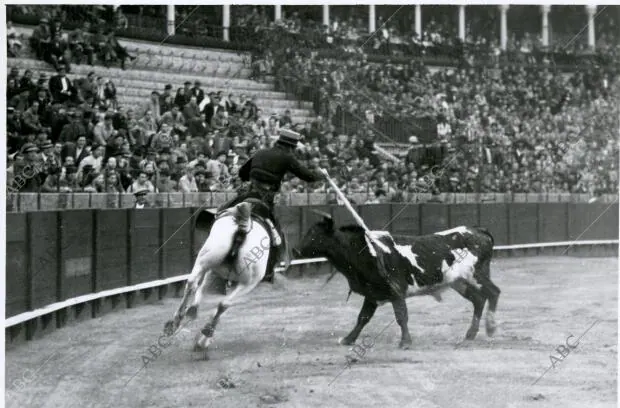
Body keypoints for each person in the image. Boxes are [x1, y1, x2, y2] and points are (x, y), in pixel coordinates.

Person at [221, 129, 325, 282]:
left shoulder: (260, 152)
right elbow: (307, 176)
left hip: (247, 194)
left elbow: (243, 173)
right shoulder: (287, 157)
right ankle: (268, 272)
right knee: (276, 235)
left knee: (222, 212)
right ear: (291, 147)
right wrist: (322, 175)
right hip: (265, 199)